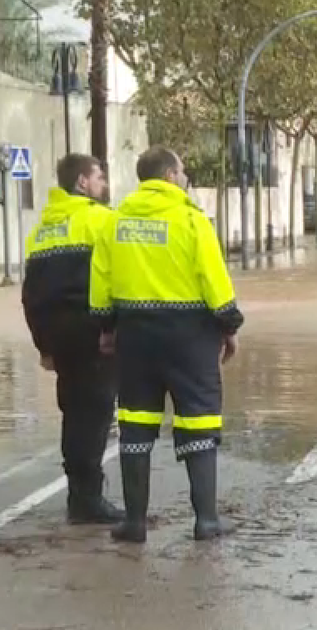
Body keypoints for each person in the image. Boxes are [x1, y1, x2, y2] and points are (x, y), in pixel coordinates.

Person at [90, 146, 243, 543]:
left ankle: (135, 523)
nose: (186, 176)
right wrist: (229, 326)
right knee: (199, 421)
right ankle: (206, 521)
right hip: (190, 336)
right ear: (171, 176)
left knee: (136, 426)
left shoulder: (115, 221)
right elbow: (214, 280)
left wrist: (107, 330)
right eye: (184, 170)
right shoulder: (192, 221)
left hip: (136, 337)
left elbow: (100, 283)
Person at [21, 153, 124, 524]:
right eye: (99, 177)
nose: (104, 185)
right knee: (94, 416)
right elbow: (118, 279)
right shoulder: (103, 221)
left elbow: (30, 295)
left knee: (74, 415)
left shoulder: (41, 231)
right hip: (94, 336)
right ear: (82, 182)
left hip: (59, 339)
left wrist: (44, 346)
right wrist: (113, 330)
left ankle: (77, 495)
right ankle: (88, 501)